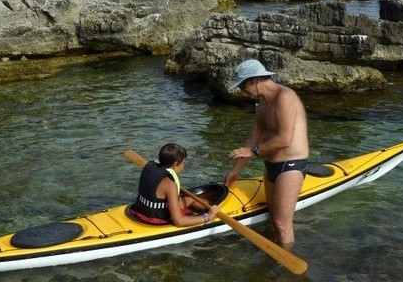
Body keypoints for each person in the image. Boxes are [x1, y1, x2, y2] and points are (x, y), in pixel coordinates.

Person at [224, 59, 309, 249]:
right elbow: (253, 138)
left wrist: (253, 152)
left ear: (255, 81)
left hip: (291, 165)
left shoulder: (285, 97)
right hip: (271, 166)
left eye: (242, 85)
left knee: (282, 223)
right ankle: (275, 251)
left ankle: (285, 265)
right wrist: (235, 171)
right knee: (273, 217)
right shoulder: (262, 105)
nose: (241, 91)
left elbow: (284, 139)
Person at [130, 143, 218, 227]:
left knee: (190, 199)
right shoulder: (170, 184)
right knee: (190, 203)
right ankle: (213, 211)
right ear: (175, 164)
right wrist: (207, 217)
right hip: (155, 219)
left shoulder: (149, 168)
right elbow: (179, 221)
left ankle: (212, 207)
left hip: (140, 211)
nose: (184, 166)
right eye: (183, 163)